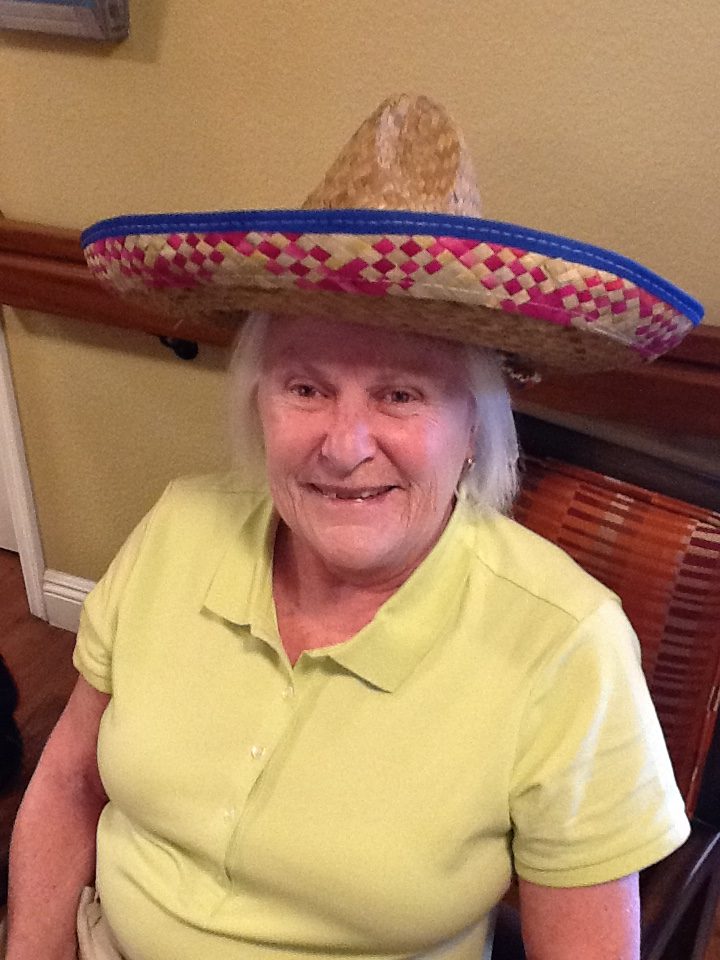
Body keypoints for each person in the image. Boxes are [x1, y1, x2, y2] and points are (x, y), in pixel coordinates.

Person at [5, 94, 703, 960]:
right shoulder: (179, 527)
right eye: (305, 387)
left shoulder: (569, 646)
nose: (344, 445)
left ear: (475, 427)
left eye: (400, 395)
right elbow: (69, 783)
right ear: (258, 401)